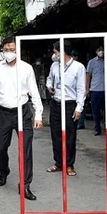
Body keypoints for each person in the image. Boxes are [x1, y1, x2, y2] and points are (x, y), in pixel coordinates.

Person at [0, 36, 43, 201]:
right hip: (2, 112)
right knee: (1, 147)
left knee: (25, 149)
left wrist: (38, 113)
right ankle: (3, 171)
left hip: (23, 112)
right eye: (7, 50)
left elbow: (34, 90)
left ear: (17, 51)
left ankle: (25, 185)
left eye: (13, 50)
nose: (9, 53)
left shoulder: (26, 68)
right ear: (2, 51)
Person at [45, 40, 86, 177]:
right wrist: (49, 86)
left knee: (70, 135)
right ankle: (58, 163)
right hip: (56, 103)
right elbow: (49, 79)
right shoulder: (54, 66)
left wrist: (79, 108)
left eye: (55, 52)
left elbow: (81, 89)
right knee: (55, 134)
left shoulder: (78, 67)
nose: (54, 54)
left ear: (62, 52)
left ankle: (69, 164)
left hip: (70, 104)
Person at [87, 46, 107, 135]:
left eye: (102, 50)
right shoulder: (92, 62)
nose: (101, 52)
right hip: (95, 89)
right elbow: (88, 75)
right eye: (99, 50)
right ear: (96, 51)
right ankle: (97, 127)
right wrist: (87, 88)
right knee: (95, 110)